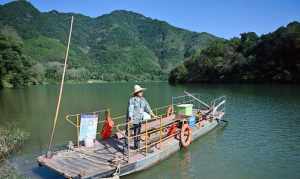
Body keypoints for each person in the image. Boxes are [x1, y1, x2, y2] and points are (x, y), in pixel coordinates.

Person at [126, 85, 156, 150]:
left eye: (142, 91)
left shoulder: (143, 99)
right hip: (132, 119)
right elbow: (130, 109)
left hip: (139, 119)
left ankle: (137, 146)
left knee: (137, 132)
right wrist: (130, 118)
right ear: (137, 93)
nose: (142, 92)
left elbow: (148, 107)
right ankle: (126, 147)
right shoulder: (132, 100)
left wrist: (153, 114)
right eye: (140, 91)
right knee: (128, 133)